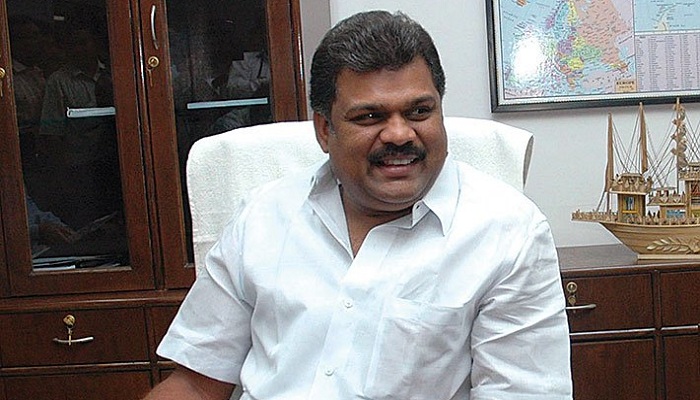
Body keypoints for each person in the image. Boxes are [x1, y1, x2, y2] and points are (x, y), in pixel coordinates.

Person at [145, 10, 573, 400]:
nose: (399, 134)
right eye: (370, 117)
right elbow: (195, 385)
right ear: (324, 130)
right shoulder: (262, 216)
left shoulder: (507, 232)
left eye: (419, 112)